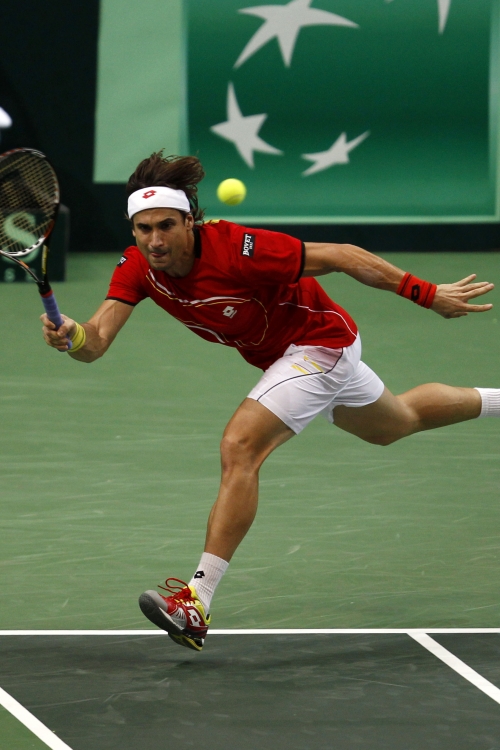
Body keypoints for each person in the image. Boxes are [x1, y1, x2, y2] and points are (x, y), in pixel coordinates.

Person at [42, 152, 498, 652]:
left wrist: (426, 293)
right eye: (143, 228)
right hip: (287, 359)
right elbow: (96, 341)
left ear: (189, 221)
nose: (155, 240)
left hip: (319, 344)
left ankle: (196, 601)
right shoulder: (138, 267)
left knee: (240, 446)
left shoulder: (239, 249)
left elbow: (343, 254)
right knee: (396, 423)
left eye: (166, 225)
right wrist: (72, 335)